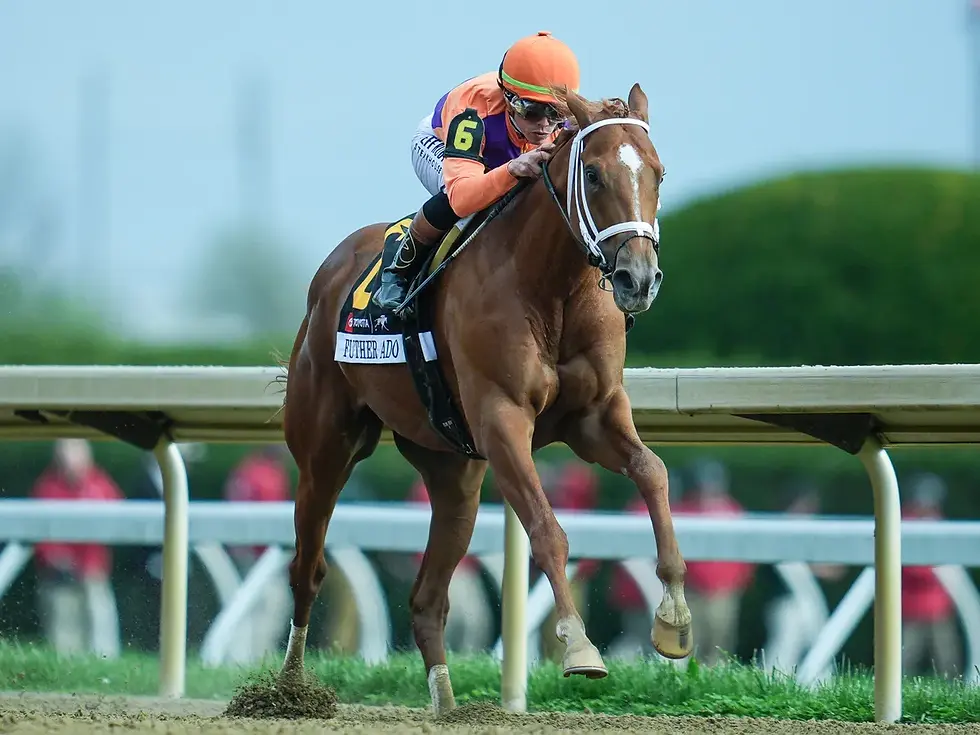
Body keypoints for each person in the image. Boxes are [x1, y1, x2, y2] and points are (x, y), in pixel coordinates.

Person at [372, 30, 581, 310]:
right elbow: (462, 197)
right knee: (467, 203)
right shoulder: (473, 112)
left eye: (556, 113)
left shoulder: (560, 120)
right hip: (439, 144)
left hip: (510, 150)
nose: (544, 125)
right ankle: (397, 272)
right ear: (509, 98)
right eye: (532, 111)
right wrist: (511, 170)